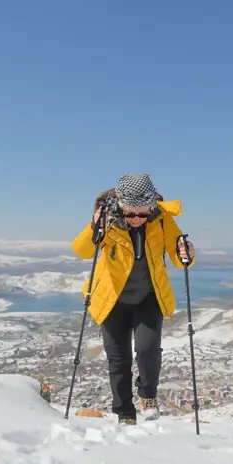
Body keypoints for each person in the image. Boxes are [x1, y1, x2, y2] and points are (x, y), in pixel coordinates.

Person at [71, 172, 195, 426]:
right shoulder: (107, 221)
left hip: (148, 298)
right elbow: (82, 251)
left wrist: (187, 254)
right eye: (130, 214)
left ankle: (148, 396)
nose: (137, 219)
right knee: (118, 359)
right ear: (120, 206)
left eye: (143, 213)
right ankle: (124, 413)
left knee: (148, 350)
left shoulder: (162, 220)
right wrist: (94, 227)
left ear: (151, 206)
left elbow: (178, 256)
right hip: (111, 300)